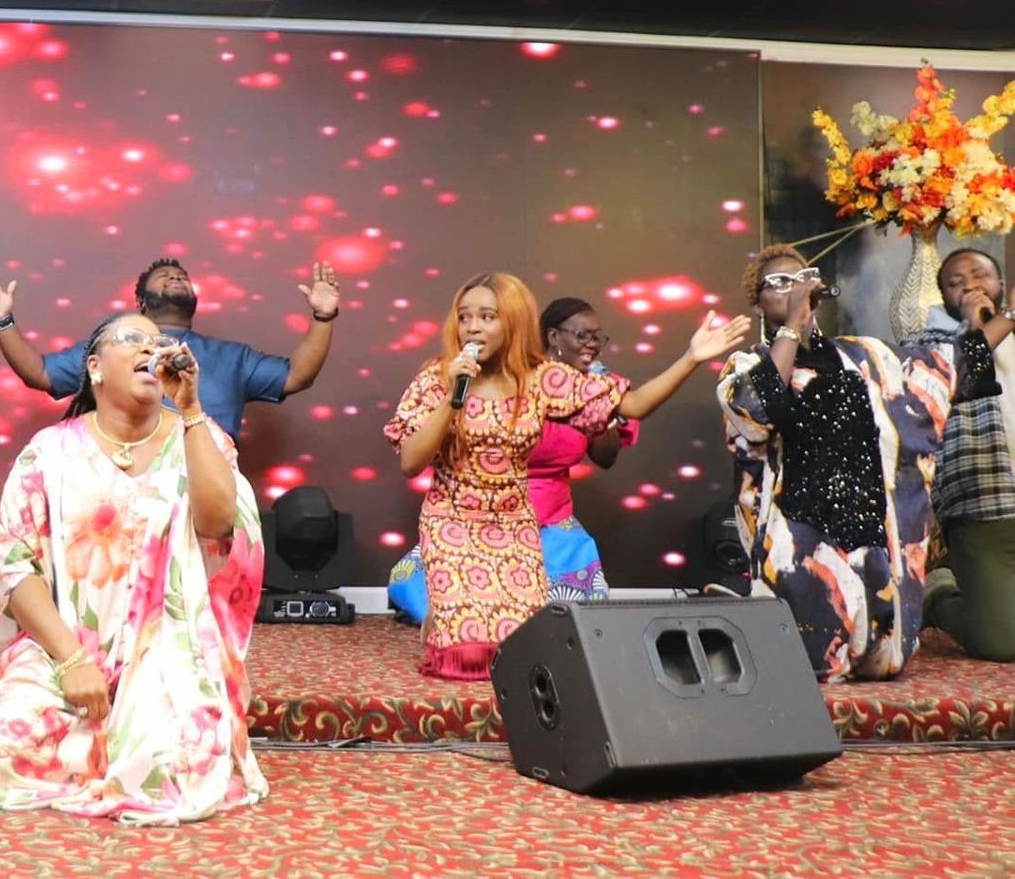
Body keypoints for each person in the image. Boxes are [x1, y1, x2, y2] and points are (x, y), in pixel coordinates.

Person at [0, 311, 267, 824]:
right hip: (66, 646)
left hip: (167, 650)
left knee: (170, 765)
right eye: (132, 339)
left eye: (157, 341)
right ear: (95, 368)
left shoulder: (200, 436)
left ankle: (111, 749)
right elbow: (16, 566)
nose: (149, 349)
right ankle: (87, 746)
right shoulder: (48, 453)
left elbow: (217, 523)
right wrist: (73, 661)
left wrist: (190, 410)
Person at [386, 273, 748, 679]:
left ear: (513, 321)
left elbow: (632, 406)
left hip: (513, 528)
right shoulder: (437, 377)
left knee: (522, 657)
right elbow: (411, 462)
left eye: (487, 316)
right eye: (465, 316)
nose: (472, 326)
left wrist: (691, 359)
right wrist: (454, 395)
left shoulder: (541, 380)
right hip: (451, 525)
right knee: (466, 655)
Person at [720, 244, 1002, 682]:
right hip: (799, 531)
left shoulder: (869, 357)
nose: (795, 289)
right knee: (803, 662)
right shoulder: (750, 364)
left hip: (868, 517)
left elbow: (951, 368)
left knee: (882, 659)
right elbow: (757, 410)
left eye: (802, 278)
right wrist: (792, 327)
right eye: (778, 283)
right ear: (757, 301)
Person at [386, 296, 640, 622]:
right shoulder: (518, 382)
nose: (592, 345)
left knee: (566, 617)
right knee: (459, 613)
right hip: (482, 517)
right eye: (582, 336)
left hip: (554, 524)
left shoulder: (593, 385)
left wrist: (600, 406)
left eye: (597, 337)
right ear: (553, 337)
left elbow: (605, 457)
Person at [0, 256, 340, 438]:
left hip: (206, 490)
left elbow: (297, 375)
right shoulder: (111, 346)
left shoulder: (233, 358)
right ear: (139, 301)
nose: (176, 277)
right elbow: (40, 373)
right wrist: (2, 319)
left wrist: (324, 317)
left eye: (182, 276)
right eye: (164, 276)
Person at [895, 249, 1015, 664]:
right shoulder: (926, 344)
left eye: (980, 275)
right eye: (955, 281)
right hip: (985, 508)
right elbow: (959, 374)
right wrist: (982, 321)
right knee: (1002, 643)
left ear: (1001, 283)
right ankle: (939, 595)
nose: (969, 285)